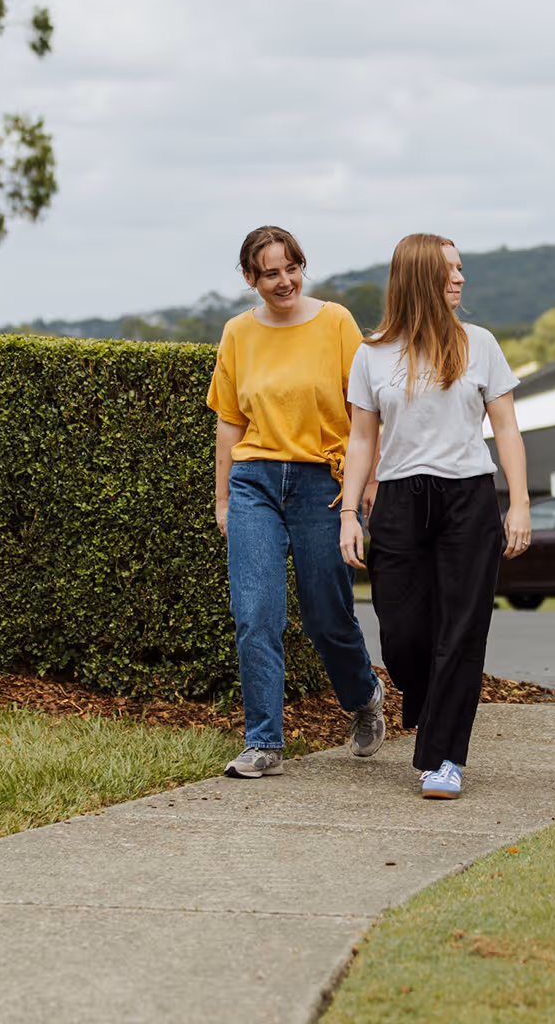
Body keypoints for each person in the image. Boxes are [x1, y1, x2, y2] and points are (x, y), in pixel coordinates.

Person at [339, 233, 530, 800]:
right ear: (419, 276)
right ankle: (428, 705)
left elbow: (508, 429)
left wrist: (518, 502)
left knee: (462, 631)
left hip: (468, 498)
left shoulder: (480, 344)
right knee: (402, 634)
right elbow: (361, 440)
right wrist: (350, 512)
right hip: (398, 501)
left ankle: (443, 756)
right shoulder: (371, 354)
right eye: (450, 269)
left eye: (462, 268)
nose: (461, 278)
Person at [208, 225, 384, 779]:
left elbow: (365, 414)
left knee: (325, 615)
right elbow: (229, 423)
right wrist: (222, 501)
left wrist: (365, 486)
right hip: (253, 483)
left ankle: (363, 698)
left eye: (291, 268)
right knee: (255, 612)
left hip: (320, 482)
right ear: (250, 279)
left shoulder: (335, 322)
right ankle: (263, 742)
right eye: (270, 273)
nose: (284, 281)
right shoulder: (237, 333)